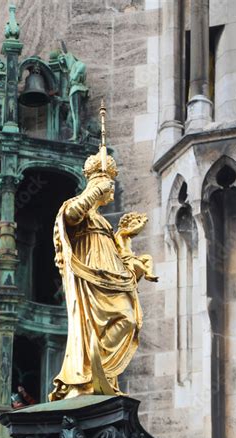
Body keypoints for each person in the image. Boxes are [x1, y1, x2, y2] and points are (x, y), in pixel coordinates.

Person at [50, 150, 156, 401]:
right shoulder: (78, 210)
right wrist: (94, 190)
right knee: (97, 326)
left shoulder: (106, 224)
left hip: (109, 279)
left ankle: (101, 372)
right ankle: (87, 372)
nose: (112, 191)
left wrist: (126, 237)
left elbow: (122, 260)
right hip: (89, 280)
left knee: (127, 320)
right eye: (109, 186)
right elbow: (70, 216)